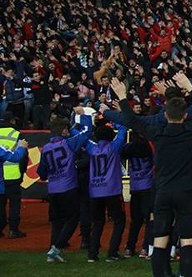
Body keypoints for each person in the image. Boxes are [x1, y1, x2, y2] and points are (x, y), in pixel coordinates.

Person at [110, 74, 192, 277]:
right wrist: (189, 86)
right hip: (186, 193)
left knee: (160, 239)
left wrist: (122, 96)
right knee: (187, 241)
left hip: (163, 192)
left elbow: (132, 120)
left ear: (165, 115)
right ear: (185, 115)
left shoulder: (157, 133)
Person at [37, 109, 93, 263]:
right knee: (73, 218)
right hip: (68, 187)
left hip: (53, 189)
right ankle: (56, 248)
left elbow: (41, 172)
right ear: (63, 130)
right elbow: (87, 133)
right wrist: (84, 115)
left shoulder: (46, 148)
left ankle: (54, 248)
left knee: (57, 221)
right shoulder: (68, 143)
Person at [86, 117, 128, 262]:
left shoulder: (91, 148)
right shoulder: (114, 147)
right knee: (119, 220)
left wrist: (85, 119)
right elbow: (123, 129)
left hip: (95, 190)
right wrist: (113, 118)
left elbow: (81, 134)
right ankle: (112, 252)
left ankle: (92, 254)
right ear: (111, 136)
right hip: (112, 190)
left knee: (97, 222)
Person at [122, 130, 155, 259]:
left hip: (134, 187)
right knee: (149, 220)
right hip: (148, 186)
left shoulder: (128, 148)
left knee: (135, 221)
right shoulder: (148, 147)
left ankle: (129, 248)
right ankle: (145, 248)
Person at [0, 116, 26, 239]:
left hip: (1, 176)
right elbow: (21, 157)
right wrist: (22, 172)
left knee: (1, 203)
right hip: (13, 174)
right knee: (14, 203)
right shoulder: (16, 134)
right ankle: (13, 229)